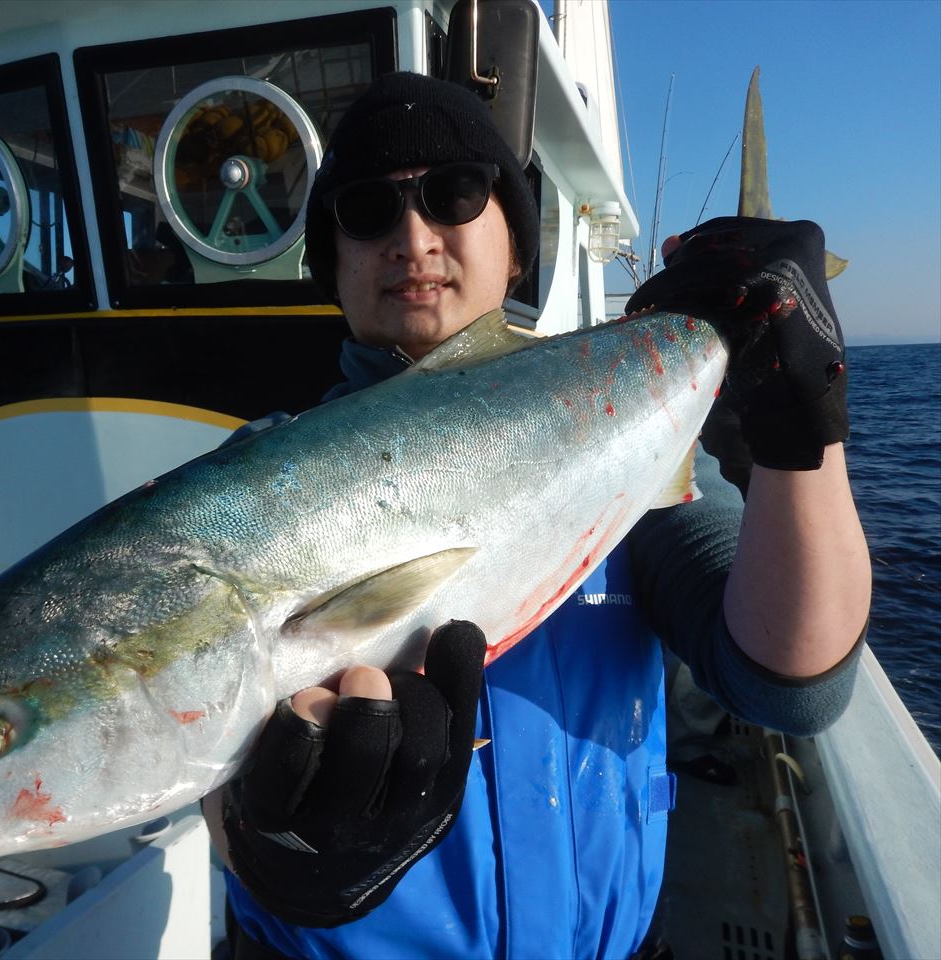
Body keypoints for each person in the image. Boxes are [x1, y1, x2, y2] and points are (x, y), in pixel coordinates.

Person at [202, 71, 871, 959]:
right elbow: (205, 762)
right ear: (332, 263)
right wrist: (274, 853)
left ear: (515, 244)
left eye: (455, 194)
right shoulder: (254, 489)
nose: (412, 237)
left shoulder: (619, 435)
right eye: (366, 212)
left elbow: (793, 683)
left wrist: (801, 445)